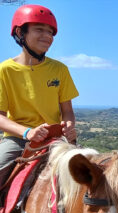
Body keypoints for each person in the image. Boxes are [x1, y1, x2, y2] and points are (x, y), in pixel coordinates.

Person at [0, 4, 79, 187]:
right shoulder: (5, 71)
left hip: (57, 138)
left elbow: (67, 110)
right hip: (18, 139)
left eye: (50, 32)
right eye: (39, 30)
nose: (48, 36)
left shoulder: (59, 69)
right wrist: (28, 133)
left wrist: (69, 126)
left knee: (94, 176)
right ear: (20, 32)